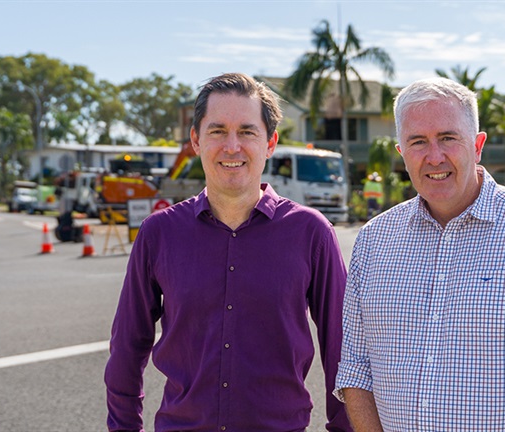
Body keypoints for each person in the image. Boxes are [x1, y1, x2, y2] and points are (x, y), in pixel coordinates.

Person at [335, 77, 505, 431]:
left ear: (477, 145)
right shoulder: (373, 241)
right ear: (401, 153)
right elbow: (356, 368)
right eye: (418, 142)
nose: (434, 156)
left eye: (448, 138)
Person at [105, 73, 351, 432]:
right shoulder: (159, 233)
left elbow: (342, 349)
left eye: (247, 131)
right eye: (217, 131)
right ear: (196, 141)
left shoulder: (311, 233)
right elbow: (127, 347)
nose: (232, 146)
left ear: (270, 143)